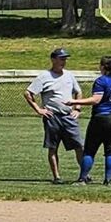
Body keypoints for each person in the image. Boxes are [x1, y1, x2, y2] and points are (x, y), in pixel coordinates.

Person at [24, 48, 85, 184]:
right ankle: (56, 177)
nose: (64, 62)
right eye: (61, 58)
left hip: (68, 116)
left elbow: (78, 92)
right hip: (52, 117)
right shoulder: (44, 76)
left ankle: (84, 174)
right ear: (53, 59)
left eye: (65, 59)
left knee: (79, 146)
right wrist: (39, 109)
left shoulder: (69, 75)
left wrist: (77, 109)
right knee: (53, 148)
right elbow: (28, 93)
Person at [71, 55, 111, 185]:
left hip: (102, 117)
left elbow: (96, 99)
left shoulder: (101, 81)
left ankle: (82, 179)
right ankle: (108, 180)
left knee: (90, 150)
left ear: (102, 67)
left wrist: (74, 101)